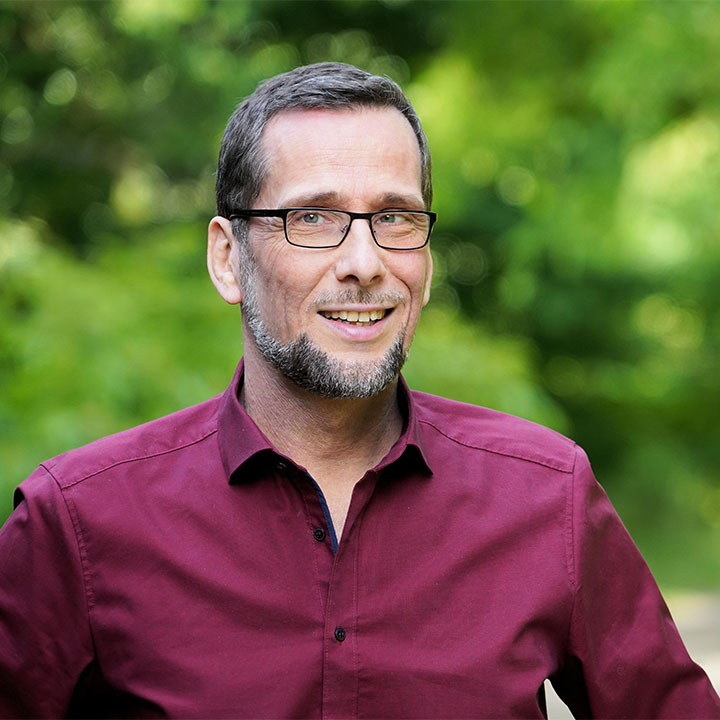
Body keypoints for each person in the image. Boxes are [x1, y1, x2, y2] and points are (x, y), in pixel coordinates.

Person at [0, 62, 718, 720]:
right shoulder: (78, 522)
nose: (364, 262)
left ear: (426, 264)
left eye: (395, 218)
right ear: (227, 259)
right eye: (313, 218)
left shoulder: (546, 496)